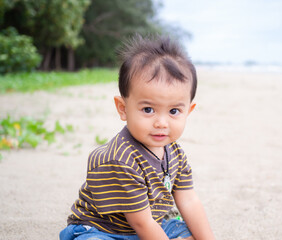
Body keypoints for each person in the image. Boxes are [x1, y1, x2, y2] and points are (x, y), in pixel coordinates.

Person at [59, 35, 215, 240]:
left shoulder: (175, 152)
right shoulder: (120, 159)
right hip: (104, 229)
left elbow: (188, 201)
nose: (161, 122)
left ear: (188, 111)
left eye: (174, 111)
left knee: (192, 232)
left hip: (154, 223)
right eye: (148, 109)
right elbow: (140, 221)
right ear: (123, 108)